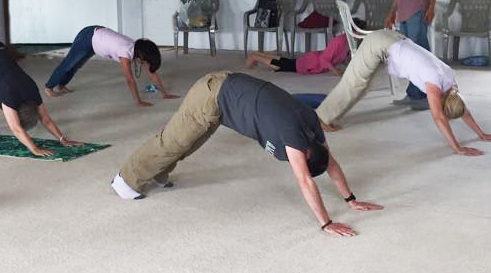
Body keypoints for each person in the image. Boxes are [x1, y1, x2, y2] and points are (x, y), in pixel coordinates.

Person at [110, 71, 384, 237]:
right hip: (211, 94)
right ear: (301, 152)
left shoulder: (312, 126)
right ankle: (125, 180)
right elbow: (305, 181)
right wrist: (326, 224)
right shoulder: (292, 136)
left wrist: (351, 199)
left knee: (190, 142)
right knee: (171, 141)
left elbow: (331, 163)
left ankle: (158, 171)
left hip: (228, 91)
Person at [315, 30, 491, 156]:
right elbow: (438, 117)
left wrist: (481, 134)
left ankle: (331, 115)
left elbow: (462, 109)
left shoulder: (452, 86)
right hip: (379, 44)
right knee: (354, 83)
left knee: (363, 85)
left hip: (393, 39)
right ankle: (321, 118)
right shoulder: (434, 84)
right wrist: (457, 148)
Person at [44, 26, 179, 107]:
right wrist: (139, 101)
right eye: (144, 62)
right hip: (88, 37)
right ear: (140, 56)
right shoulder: (125, 53)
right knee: (69, 64)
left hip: (96, 38)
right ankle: (49, 87)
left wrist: (164, 94)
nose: (144, 65)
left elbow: (151, 72)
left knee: (76, 65)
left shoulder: (138, 49)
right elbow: (130, 80)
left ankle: (61, 85)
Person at [0, 42, 83, 156]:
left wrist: (63, 139)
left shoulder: (32, 92)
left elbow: (45, 119)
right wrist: (35, 149)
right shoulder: (11, 96)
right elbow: (16, 128)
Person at [386, 0, 436, 109]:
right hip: (403, 13)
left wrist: (432, 7)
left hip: (417, 10)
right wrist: (393, 11)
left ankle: (427, 97)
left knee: (420, 55)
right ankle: (413, 94)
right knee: (409, 56)